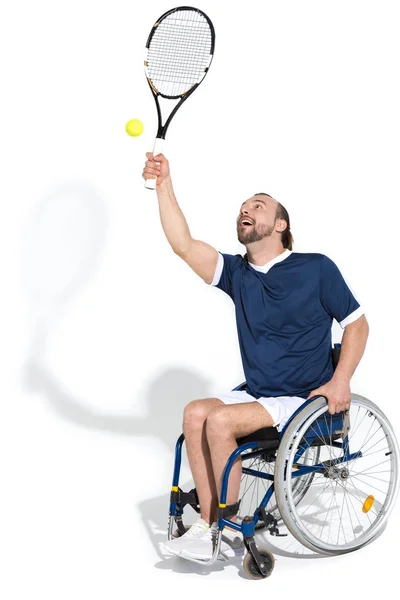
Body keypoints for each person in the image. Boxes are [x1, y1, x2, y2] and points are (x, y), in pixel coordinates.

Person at [142, 152, 369, 561]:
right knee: (196, 412)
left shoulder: (316, 268)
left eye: (257, 206)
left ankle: (213, 523)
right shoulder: (237, 273)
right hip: (260, 394)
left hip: (303, 400)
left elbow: (357, 324)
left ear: (280, 225)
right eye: (243, 207)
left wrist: (341, 380)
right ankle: (209, 525)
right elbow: (183, 244)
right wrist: (163, 184)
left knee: (222, 420)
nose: (245, 209)